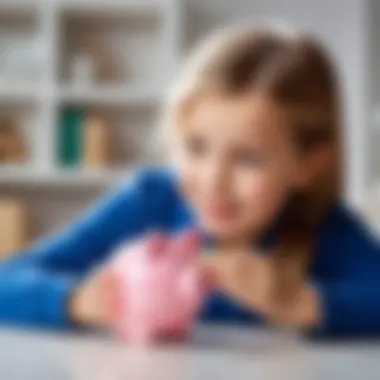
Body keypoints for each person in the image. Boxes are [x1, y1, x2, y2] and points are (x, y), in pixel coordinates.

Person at [0, 24, 379, 337]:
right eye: (196, 148)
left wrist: (299, 302)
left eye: (248, 158)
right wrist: (76, 300)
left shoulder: (325, 228)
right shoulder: (151, 200)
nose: (214, 182)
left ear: (308, 165)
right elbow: (8, 280)